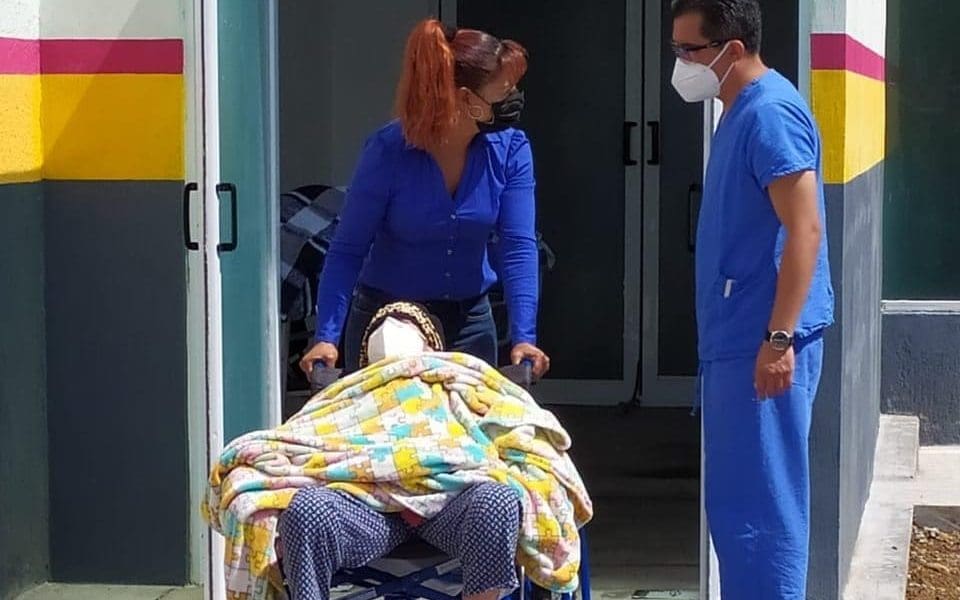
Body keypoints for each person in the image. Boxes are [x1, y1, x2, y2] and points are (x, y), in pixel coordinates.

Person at [669, 1, 834, 598]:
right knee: (740, 509)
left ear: (732, 49)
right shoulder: (737, 112)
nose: (681, 64)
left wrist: (779, 337)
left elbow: (805, 229)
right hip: (739, 338)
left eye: (689, 50)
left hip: (762, 344)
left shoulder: (769, 114)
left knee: (763, 513)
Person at [299, 18, 550, 379]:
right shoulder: (388, 151)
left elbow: (517, 245)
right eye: (504, 91)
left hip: (469, 323)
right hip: (390, 324)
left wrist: (525, 337)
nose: (512, 99)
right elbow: (348, 249)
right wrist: (326, 337)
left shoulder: (511, 149)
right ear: (466, 99)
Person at [281, 301, 522, 600]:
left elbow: (518, 440)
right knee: (306, 508)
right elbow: (298, 446)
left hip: (447, 505)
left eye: (407, 323)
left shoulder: (466, 388)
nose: (391, 331)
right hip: (370, 508)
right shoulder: (343, 397)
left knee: (497, 499)